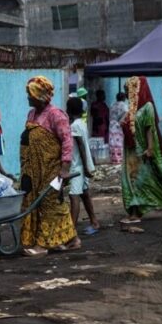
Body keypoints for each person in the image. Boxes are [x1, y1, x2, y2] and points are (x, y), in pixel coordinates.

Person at [19, 75, 80, 257]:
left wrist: (65, 168)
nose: (28, 97)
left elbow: (67, 141)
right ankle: (71, 239)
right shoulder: (32, 114)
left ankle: (43, 245)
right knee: (38, 204)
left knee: (50, 204)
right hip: (33, 172)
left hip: (51, 170)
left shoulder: (56, 115)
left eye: (31, 94)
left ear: (40, 95)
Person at [120, 76, 162, 224]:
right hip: (131, 152)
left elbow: (149, 129)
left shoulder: (147, 107)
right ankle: (134, 210)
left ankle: (139, 212)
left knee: (142, 181)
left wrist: (150, 148)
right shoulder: (133, 109)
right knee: (130, 181)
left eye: (128, 90)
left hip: (143, 151)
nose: (126, 94)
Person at [67, 97, 100, 236]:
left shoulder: (74, 126)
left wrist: (85, 167)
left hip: (77, 166)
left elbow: (80, 145)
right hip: (83, 165)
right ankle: (94, 221)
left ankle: (71, 232)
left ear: (69, 110)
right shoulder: (82, 123)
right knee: (85, 194)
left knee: (74, 196)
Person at [109, 92, 128, 164]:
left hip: (111, 124)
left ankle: (113, 159)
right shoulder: (123, 105)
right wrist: (121, 121)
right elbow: (126, 113)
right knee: (119, 142)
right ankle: (119, 159)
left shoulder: (112, 105)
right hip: (118, 125)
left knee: (112, 142)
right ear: (124, 98)